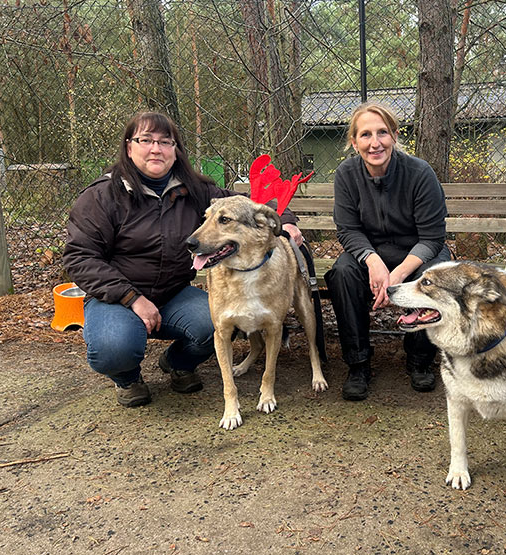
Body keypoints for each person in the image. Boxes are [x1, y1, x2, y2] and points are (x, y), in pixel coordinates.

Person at [63, 111, 303, 408]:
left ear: (175, 150)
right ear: (129, 147)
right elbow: (79, 257)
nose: (156, 149)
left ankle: (178, 363)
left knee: (215, 325)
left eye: (165, 142)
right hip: (116, 298)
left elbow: (249, 205)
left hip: (173, 294)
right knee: (113, 346)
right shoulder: (102, 196)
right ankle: (127, 379)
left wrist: (286, 220)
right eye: (145, 140)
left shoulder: (195, 189)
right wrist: (131, 298)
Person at [326, 102, 450, 401]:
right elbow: (348, 229)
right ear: (354, 142)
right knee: (342, 273)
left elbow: (432, 237)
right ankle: (358, 364)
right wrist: (372, 261)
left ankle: (420, 360)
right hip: (370, 252)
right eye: (365, 134)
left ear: (394, 135)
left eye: (382, 132)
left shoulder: (419, 172)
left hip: (418, 252)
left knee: (432, 276)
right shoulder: (346, 174)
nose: (375, 143)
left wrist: (397, 276)